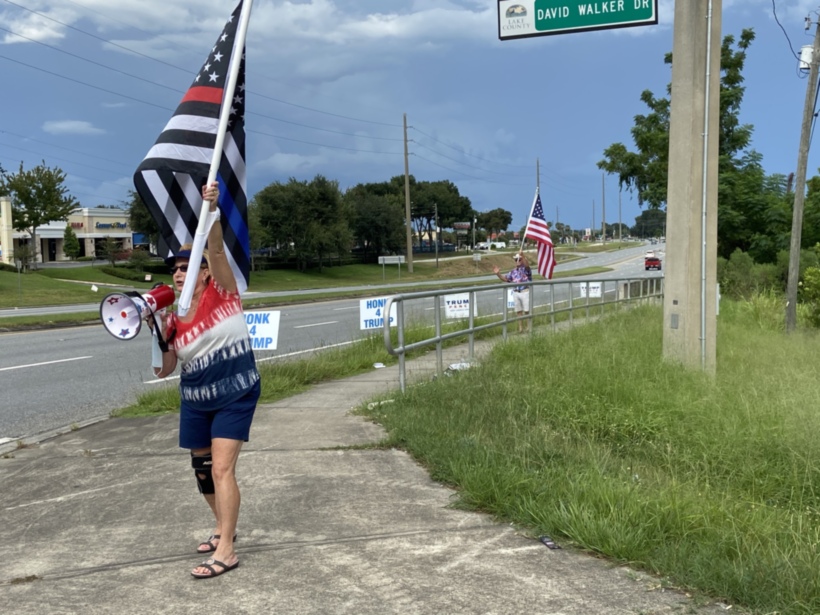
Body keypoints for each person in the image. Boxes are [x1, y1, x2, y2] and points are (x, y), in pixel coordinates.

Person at [151, 181, 260, 579]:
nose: (179, 275)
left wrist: (210, 212)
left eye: (186, 268)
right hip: (195, 397)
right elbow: (165, 370)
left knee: (221, 470)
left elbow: (214, 251)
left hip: (236, 391)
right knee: (201, 469)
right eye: (175, 270)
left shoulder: (224, 293)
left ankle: (227, 551)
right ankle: (221, 527)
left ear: (203, 274)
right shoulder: (171, 317)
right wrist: (156, 332)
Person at [493, 252, 532, 333]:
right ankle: (520, 328)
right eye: (516, 260)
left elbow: (527, 265)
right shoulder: (513, 271)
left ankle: (529, 327)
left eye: (519, 259)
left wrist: (523, 256)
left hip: (525, 291)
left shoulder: (526, 269)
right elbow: (506, 279)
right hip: (516, 292)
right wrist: (498, 274)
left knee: (527, 311)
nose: (517, 261)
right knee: (519, 311)